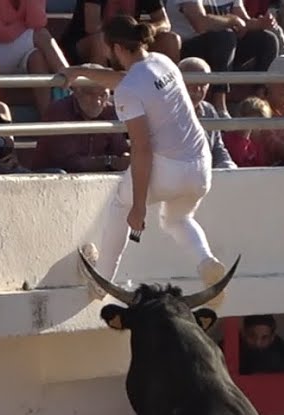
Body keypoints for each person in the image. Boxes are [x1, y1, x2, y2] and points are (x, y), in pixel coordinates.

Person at [61, 15, 229, 307]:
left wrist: (138, 206)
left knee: (120, 205)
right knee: (178, 219)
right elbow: (128, 80)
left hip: (169, 168)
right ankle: (206, 261)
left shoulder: (128, 91)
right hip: (200, 165)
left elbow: (141, 148)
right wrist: (83, 71)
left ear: (116, 48)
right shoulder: (164, 62)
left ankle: (102, 281)